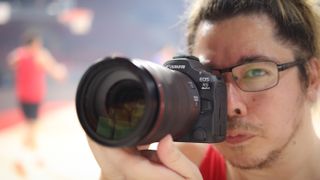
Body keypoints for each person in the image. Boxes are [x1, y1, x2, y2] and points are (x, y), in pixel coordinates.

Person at [86, 0, 320, 179]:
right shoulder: (172, 165)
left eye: (255, 72)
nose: (230, 106)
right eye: (210, 79)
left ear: (311, 77)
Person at [7, 30, 67, 175]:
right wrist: (60, 74)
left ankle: (36, 156)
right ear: (34, 43)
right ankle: (21, 158)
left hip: (23, 96)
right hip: (33, 96)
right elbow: (53, 69)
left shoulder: (19, 54)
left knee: (32, 126)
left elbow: (11, 62)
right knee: (31, 127)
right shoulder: (40, 55)